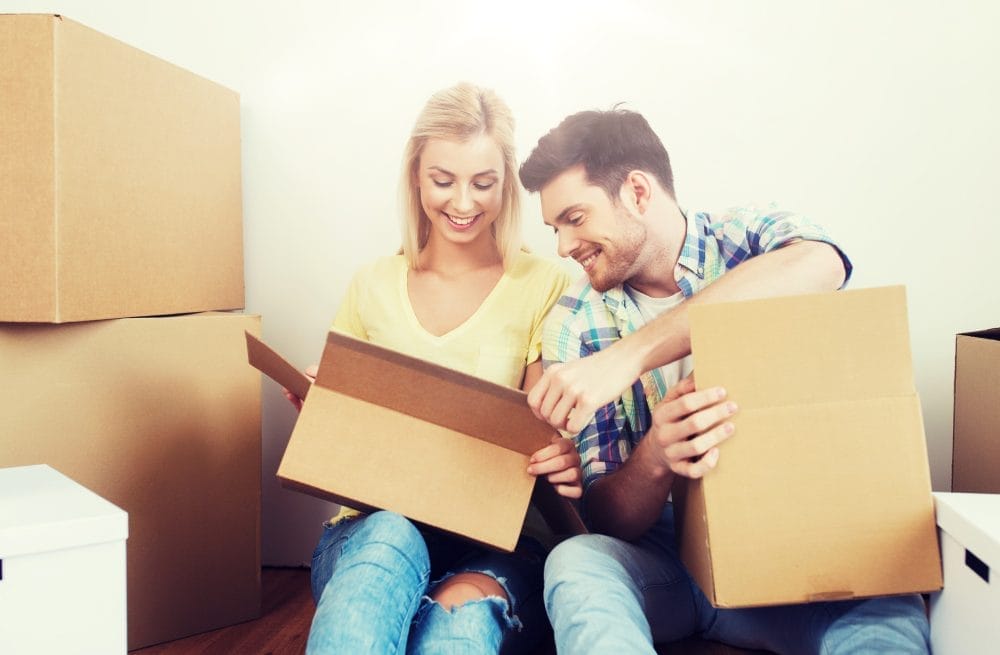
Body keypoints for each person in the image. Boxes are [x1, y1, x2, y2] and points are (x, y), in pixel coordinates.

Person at [517, 108, 931, 654]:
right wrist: (656, 457)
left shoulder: (748, 237)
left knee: (891, 593)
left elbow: (822, 265)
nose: (564, 247)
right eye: (555, 229)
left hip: (794, 546)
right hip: (668, 566)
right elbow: (605, 519)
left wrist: (628, 357)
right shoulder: (574, 321)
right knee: (576, 563)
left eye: (574, 217)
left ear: (638, 191)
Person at [284, 83, 582, 655]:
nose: (463, 203)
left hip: (495, 546)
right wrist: (322, 414)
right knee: (392, 537)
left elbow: (539, 436)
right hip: (372, 534)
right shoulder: (371, 285)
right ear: (416, 177)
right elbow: (340, 450)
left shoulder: (546, 285)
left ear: (507, 182)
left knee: (459, 628)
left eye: (484, 183)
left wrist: (559, 452)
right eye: (443, 181)